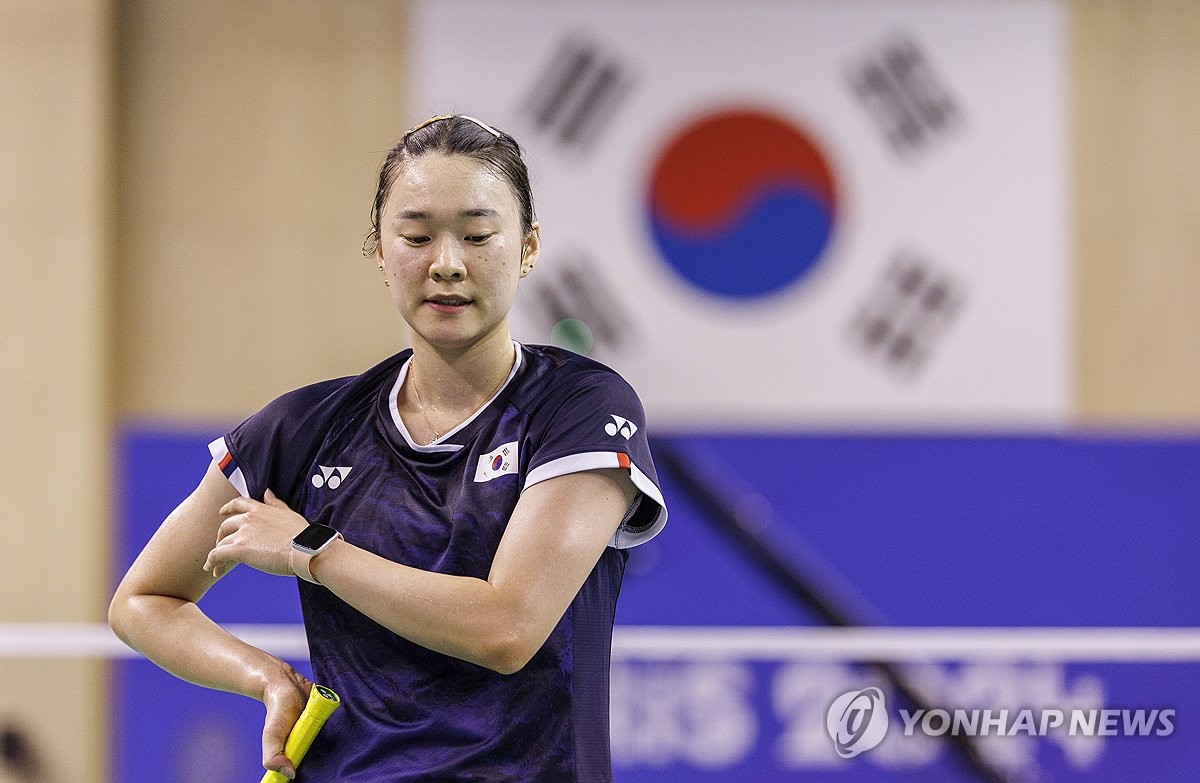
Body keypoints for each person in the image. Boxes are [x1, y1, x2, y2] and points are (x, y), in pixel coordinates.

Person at [108, 114, 667, 782]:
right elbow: (143, 601)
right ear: (379, 246)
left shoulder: (580, 408)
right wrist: (267, 678)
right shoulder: (303, 428)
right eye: (417, 235)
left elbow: (507, 628)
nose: (448, 263)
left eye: (479, 234)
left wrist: (312, 550)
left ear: (528, 249)